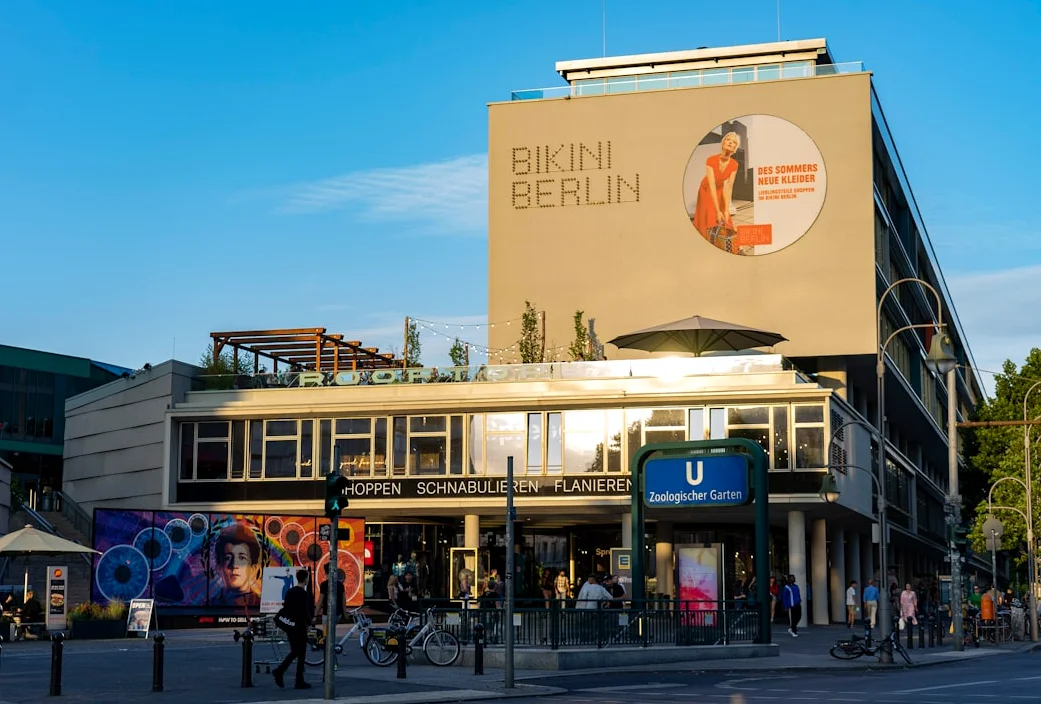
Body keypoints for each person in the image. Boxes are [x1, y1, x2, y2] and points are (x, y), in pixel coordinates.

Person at [692, 131, 742, 252]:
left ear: (735, 148)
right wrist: (717, 209)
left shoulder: (734, 164)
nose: (731, 142)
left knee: (725, 216)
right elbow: (711, 184)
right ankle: (707, 242)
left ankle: (736, 246)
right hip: (706, 189)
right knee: (711, 215)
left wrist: (725, 210)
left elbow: (729, 187)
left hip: (719, 189)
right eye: (728, 140)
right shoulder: (710, 160)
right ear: (723, 143)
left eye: (734, 142)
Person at [272, 569, 314, 690]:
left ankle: (297, 679)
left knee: (297, 651)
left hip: (289, 625)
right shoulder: (304, 594)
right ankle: (282, 671)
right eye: (308, 578)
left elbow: (286, 607)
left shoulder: (290, 591)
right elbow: (303, 610)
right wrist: (310, 622)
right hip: (299, 626)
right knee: (299, 652)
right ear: (306, 579)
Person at [214, 523, 263, 607]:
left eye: (241, 558)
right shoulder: (211, 604)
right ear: (218, 568)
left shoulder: (261, 605)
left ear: (254, 568)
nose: (234, 565)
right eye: (228, 558)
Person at [317, 563, 346, 627]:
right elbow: (343, 602)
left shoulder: (324, 585)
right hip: (337, 614)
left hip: (326, 614)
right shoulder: (341, 585)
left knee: (325, 633)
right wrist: (345, 614)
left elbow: (320, 602)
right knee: (333, 630)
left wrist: (315, 614)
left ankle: (326, 636)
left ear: (325, 572)